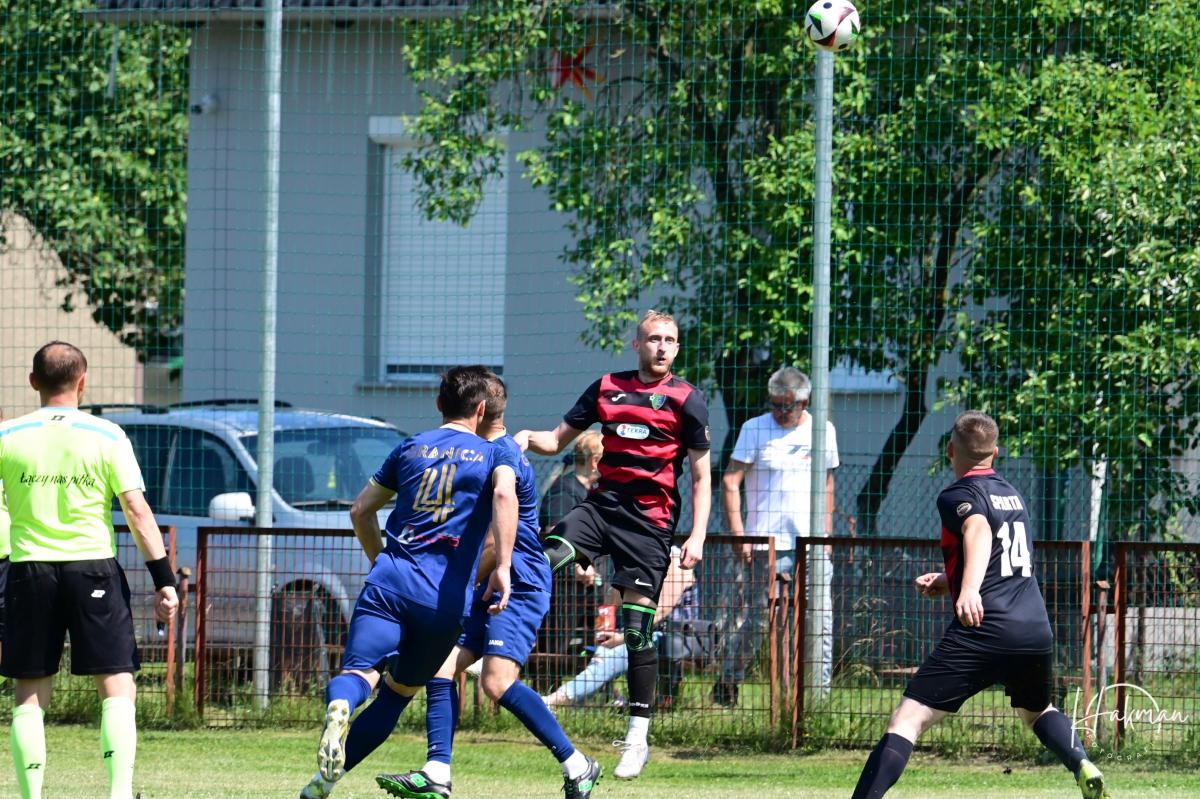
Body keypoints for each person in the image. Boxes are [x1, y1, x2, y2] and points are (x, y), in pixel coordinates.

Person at [850, 411, 1110, 799]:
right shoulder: (1012, 494)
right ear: (995, 452)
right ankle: (1082, 764)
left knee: (908, 719)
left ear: (950, 450)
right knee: (1037, 711)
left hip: (985, 626)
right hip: (1033, 626)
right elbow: (1003, 557)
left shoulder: (957, 495)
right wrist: (950, 580)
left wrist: (969, 590)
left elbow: (979, 530)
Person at [374, 376, 601, 799]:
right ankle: (437, 771)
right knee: (441, 667)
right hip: (491, 579)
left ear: (476, 411)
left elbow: (498, 537)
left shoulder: (498, 454)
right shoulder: (493, 449)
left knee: (496, 683)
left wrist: (458, 580)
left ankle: (577, 764)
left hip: (517, 581)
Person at [297, 366, 517, 799]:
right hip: (443, 600)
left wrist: (380, 562)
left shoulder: (410, 447)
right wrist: (504, 566)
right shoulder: (494, 455)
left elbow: (360, 510)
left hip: (390, 581)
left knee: (359, 673)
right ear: (482, 410)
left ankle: (340, 704)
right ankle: (322, 785)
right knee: (396, 696)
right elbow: (504, 496)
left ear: (439, 405)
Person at [516, 309, 712, 780]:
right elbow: (556, 441)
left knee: (638, 630)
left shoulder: (687, 399)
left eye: (670, 340)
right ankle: (491, 643)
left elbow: (703, 476)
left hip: (649, 525)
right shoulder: (606, 388)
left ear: (677, 348)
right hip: (601, 508)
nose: (662, 347)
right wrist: (521, 438)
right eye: (653, 339)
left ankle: (637, 738)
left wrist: (698, 534)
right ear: (637, 344)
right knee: (545, 558)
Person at [0, 342, 179, 799]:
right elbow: (137, 511)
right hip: (93, 569)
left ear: (33, 382)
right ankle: (119, 793)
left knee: (29, 693)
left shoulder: (7, 435)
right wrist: (164, 580)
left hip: (28, 570)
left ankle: (31, 796)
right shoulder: (108, 435)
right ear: (83, 382)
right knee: (117, 685)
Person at [719, 367, 838, 705]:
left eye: (787, 406)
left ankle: (818, 699)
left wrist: (826, 534)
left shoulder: (823, 431)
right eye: (774, 404)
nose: (780, 412)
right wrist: (740, 535)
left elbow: (827, 483)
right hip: (765, 544)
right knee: (761, 621)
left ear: (804, 402)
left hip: (811, 544)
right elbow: (730, 481)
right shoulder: (754, 429)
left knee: (819, 619)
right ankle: (728, 680)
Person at [541, 549, 701, 710]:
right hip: (640, 632)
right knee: (603, 650)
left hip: (672, 636)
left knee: (612, 656)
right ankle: (599, 701)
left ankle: (557, 700)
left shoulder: (675, 559)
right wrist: (605, 629)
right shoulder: (635, 557)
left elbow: (660, 611)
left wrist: (621, 637)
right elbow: (610, 601)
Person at [537, 430, 604, 658]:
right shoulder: (565, 491)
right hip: (564, 586)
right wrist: (580, 565)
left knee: (590, 645)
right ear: (595, 461)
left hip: (586, 586)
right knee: (555, 650)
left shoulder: (589, 492)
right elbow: (554, 535)